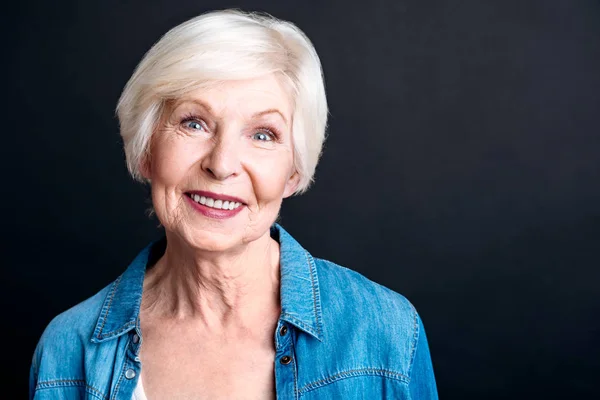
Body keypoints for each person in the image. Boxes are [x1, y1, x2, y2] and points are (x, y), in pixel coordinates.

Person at [29, 9, 438, 400]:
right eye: (194, 123)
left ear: (293, 172)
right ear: (145, 149)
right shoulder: (68, 351)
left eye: (263, 134)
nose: (222, 165)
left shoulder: (386, 333)